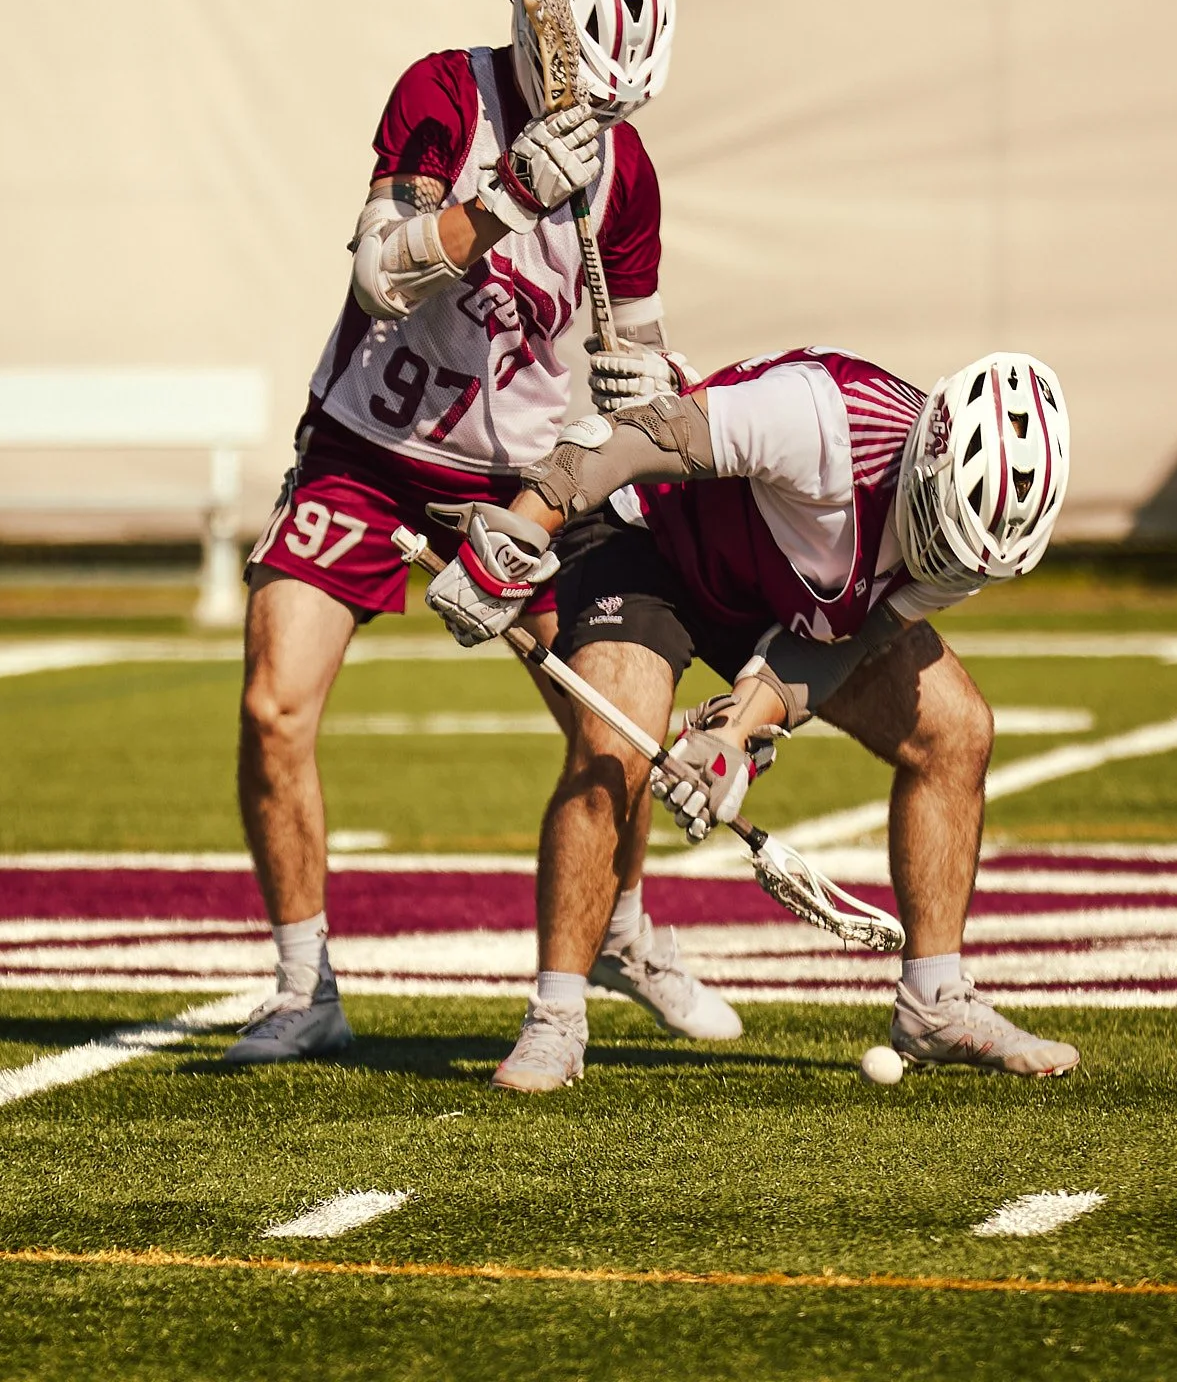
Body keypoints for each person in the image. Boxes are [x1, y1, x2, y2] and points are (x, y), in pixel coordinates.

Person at [227, 0, 740, 1064]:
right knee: (272, 703)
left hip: (522, 479)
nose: (598, 114)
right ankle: (305, 986)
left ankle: (620, 930)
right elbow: (379, 274)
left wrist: (658, 390)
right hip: (368, 450)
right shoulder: (444, 94)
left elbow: (637, 354)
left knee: (617, 718)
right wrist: (506, 198)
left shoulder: (627, 173)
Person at [425, 346, 1081, 1092]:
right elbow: (619, 443)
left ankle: (935, 1002)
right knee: (613, 748)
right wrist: (511, 542)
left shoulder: (974, 541)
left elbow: (846, 640)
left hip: (773, 597)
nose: (938, 557)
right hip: (648, 544)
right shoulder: (819, 420)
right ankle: (557, 1016)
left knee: (956, 731)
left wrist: (735, 735)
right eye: (936, 524)